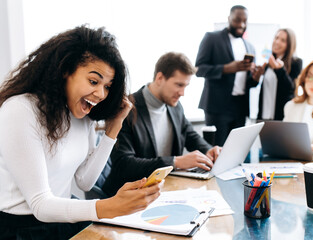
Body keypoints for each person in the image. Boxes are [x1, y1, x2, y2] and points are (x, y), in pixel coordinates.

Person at [0, 25, 161, 239]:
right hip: (22, 228)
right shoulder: (20, 109)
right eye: (94, 81)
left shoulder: (80, 115)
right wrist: (109, 206)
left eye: (107, 86)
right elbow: (40, 204)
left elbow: (84, 181)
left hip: (60, 218)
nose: (101, 94)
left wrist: (112, 131)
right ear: (65, 70)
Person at [102, 52, 221, 196]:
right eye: (179, 85)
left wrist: (208, 151)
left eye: (186, 86)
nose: (182, 93)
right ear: (159, 78)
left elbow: (190, 135)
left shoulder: (176, 107)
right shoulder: (125, 108)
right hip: (127, 195)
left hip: (165, 191)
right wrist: (175, 162)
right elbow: (124, 164)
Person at [195, 5, 263, 146]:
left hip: (241, 107)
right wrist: (226, 68)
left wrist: (256, 78)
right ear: (229, 19)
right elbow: (199, 69)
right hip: (217, 106)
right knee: (217, 150)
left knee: (236, 150)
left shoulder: (250, 47)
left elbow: (249, 83)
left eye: (245, 21)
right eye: (238, 20)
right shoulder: (212, 38)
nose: (241, 25)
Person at [257, 28, 303, 120]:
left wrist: (279, 70)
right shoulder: (267, 63)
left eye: (283, 40)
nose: (277, 42)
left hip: (281, 116)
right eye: (276, 38)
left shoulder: (296, 62)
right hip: (264, 115)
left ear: (289, 44)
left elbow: (290, 88)